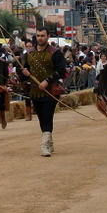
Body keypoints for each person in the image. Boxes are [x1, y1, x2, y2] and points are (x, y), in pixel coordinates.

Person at [19, 28, 67, 156]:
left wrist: (47, 80)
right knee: (41, 117)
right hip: (35, 91)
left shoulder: (55, 52)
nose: (40, 38)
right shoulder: (29, 53)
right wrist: (25, 73)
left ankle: (44, 145)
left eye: (42, 35)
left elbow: (61, 70)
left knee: (47, 116)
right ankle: (49, 142)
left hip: (50, 90)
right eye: (38, 35)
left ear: (48, 36)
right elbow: (23, 71)